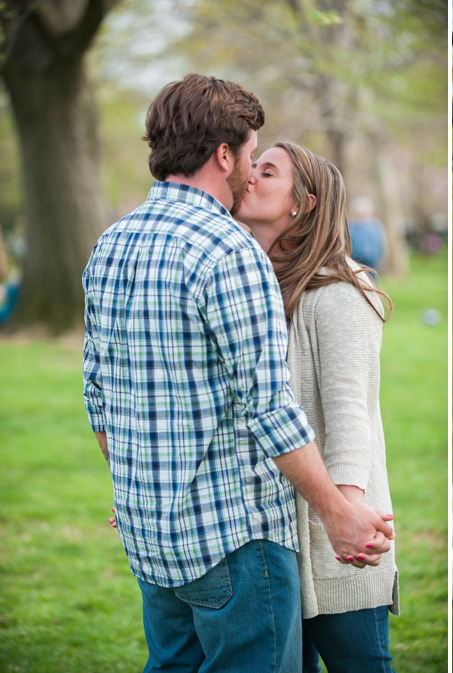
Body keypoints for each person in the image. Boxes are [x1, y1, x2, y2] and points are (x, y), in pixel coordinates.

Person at [82, 74, 393, 672]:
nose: (251, 172)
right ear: (224, 154)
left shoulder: (111, 243)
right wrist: (337, 513)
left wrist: (137, 482)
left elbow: (100, 394)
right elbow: (268, 407)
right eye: (253, 155)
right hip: (234, 539)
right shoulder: (229, 250)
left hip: (154, 538)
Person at [235, 141, 398, 672]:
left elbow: (352, 416)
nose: (249, 176)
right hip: (268, 537)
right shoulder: (252, 288)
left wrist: (344, 516)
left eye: (267, 170)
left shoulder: (341, 293)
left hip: (336, 542)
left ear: (301, 204)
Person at [347, 196, 387, 272]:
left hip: (372, 261)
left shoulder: (375, 225)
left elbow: (382, 243)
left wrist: (381, 259)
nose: (362, 214)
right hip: (355, 261)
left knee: (372, 281)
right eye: (359, 212)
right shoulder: (350, 225)